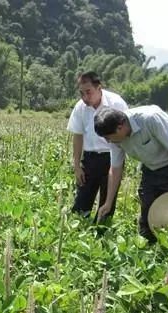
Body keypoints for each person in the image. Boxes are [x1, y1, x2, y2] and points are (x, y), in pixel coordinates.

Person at [94, 105, 168, 246]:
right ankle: (148, 248)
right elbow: (115, 169)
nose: (108, 141)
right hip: (150, 165)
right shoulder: (115, 138)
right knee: (148, 206)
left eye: (108, 137)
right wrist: (108, 202)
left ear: (120, 127)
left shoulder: (150, 119)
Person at [67, 71, 128, 222]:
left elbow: (126, 131)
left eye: (88, 92)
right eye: (81, 93)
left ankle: (101, 235)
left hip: (112, 156)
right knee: (81, 202)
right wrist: (76, 166)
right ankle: (77, 231)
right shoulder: (80, 107)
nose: (85, 97)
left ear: (99, 88)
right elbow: (78, 135)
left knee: (107, 202)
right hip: (90, 158)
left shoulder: (116, 103)